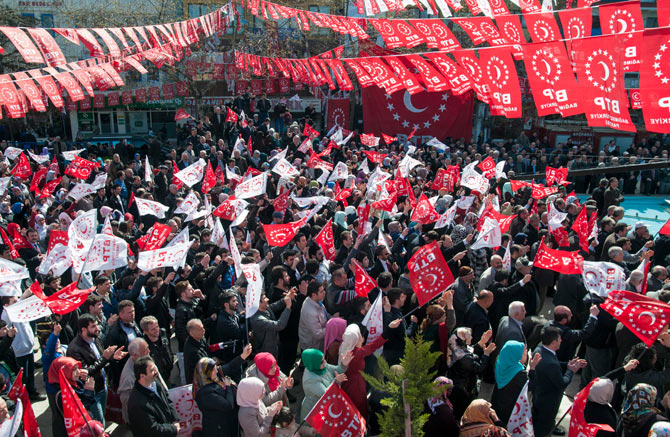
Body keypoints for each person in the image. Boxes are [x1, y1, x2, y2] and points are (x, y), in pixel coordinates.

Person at [532, 326, 587, 437]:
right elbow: (562, 383)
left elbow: (554, 364)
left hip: (539, 397)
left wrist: (568, 364)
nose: (561, 340)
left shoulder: (540, 350)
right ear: (553, 342)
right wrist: (571, 370)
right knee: (542, 430)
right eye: (559, 338)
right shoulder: (551, 363)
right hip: (548, 403)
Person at [339, 320, 401, 419]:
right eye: (359, 335)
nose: (361, 337)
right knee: (359, 409)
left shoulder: (343, 347)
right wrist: (389, 328)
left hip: (346, 383)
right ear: (355, 339)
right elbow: (374, 345)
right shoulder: (357, 353)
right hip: (356, 386)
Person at [448, 327, 496, 419]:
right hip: (463, 391)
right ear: (463, 340)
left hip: (460, 386)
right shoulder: (464, 359)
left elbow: (470, 351)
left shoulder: (457, 347)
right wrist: (486, 354)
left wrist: (481, 343)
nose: (472, 338)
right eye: (469, 336)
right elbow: (479, 368)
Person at [491, 340, 541, 427]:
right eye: (524, 353)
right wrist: (532, 368)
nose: (527, 355)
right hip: (510, 410)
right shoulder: (519, 374)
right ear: (516, 355)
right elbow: (531, 386)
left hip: (498, 404)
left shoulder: (501, 362)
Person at [127, 356, 180, 436]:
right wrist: (173, 429)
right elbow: (152, 429)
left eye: (155, 368)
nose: (156, 371)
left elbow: (167, 399)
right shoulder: (137, 403)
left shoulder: (155, 382)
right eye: (152, 370)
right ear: (142, 376)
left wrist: (175, 420)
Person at [300, 348, 352, 422]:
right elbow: (326, 395)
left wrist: (343, 364)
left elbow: (337, 370)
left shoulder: (320, 366)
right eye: (321, 361)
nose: (325, 362)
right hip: (314, 412)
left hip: (326, 408)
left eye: (324, 358)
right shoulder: (310, 380)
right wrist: (336, 381)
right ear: (313, 363)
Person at [193, 357, 238, 437]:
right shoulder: (205, 393)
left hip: (223, 425)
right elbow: (228, 405)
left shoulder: (212, 381)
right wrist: (228, 387)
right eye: (214, 370)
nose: (217, 371)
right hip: (218, 430)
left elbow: (230, 366)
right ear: (206, 372)